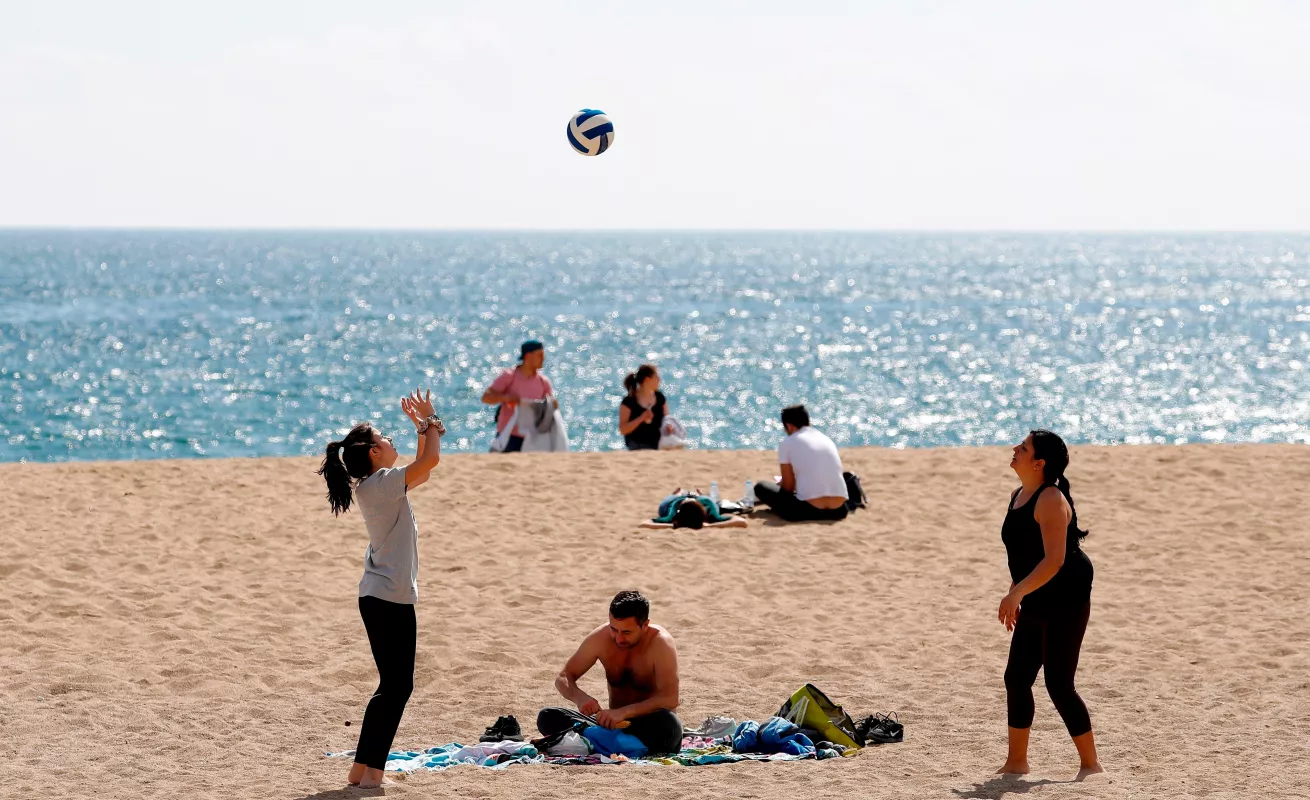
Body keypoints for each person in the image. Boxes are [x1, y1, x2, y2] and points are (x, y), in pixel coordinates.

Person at [317, 390, 445, 789]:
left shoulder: (378, 486)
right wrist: (427, 422)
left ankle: (364, 771)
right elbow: (431, 461)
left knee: (391, 687)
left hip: (379, 596)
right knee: (396, 687)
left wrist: (425, 429)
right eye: (385, 437)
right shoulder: (382, 484)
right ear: (374, 453)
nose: (392, 441)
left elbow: (422, 470)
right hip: (388, 598)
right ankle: (369, 771)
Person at [996, 430, 1102, 779]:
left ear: (1039, 463)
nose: (1015, 448)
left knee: (1059, 683)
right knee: (1017, 678)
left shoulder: (1051, 500)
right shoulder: (1018, 495)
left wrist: (1017, 594)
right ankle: (1017, 762)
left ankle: (1091, 765)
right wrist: (1016, 589)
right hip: (1037, 591)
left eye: (1023, 448)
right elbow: (1025, 553)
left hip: (1067, 595)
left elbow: (1054, 561)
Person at [538, 590, 683, 755]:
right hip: (610, 726)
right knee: (547, 716)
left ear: (645, 625)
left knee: (671, 725)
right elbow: (564, 677)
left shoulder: (660, 643)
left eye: (627, 632)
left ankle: (593, 743)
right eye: (614, 629)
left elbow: (670, 698)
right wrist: (580, 698)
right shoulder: (601, 638)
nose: (619, 638)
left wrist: (623, 712)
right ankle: (612, 743)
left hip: (647, 726)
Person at [752, 404, 849, 522]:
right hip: (839, 511)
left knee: (761, 487)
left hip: (807, 510)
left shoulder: (788, 443)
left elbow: (788, 488)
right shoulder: (825, 438)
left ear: (789, 426)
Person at [481, 340, 557, 453]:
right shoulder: (509, 376)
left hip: (533, 437)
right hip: (510, 435)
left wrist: (552, 404)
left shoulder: (543, 382)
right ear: (528, 356)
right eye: (540, 355)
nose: (543, 359)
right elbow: (486, 397)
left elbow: (550, 407)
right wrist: (507, 398)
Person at [639, 487, 748, 529]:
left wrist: (673, 525)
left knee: (675, 496)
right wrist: (710, 526)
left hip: (677, 501)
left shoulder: (673, 514)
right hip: (699, 500)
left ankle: (680, 494)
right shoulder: (711, 513)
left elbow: (643, 523)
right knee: (706, 498)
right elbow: (741, 521)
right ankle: (691, 494)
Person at [618, 364, 669, 450]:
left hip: (659, 444)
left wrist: (669, 426)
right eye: (656, 377)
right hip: (637, 446)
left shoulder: (660, 397)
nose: (659, 380)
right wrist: (641, 418)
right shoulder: (629, 401)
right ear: (647, 380)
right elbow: (623, 430)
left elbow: (667, 419)